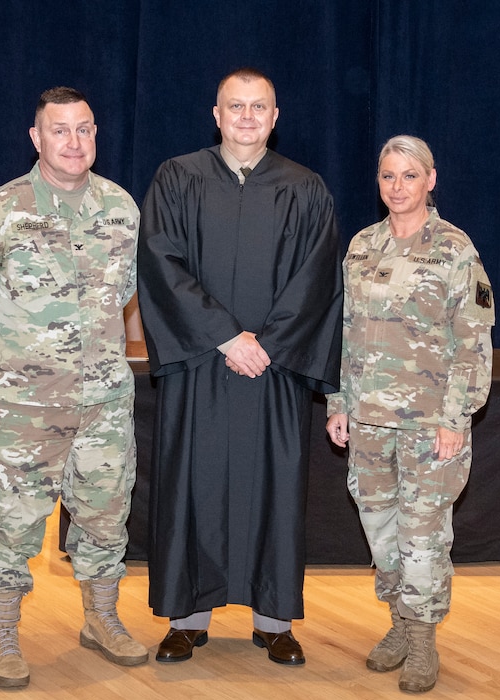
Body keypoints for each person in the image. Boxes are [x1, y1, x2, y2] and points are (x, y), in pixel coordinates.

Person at [0, 86, 148, 689]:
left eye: (84, 129)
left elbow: (126, 291)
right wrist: (4, 356)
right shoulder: (2, 208)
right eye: (60, 130)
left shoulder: (120, 207)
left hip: (105, 401)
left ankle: (101, 619)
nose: (74, 141)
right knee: (11, 521)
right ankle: (1, 633)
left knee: (106, 515)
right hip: (25, 408)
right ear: (37, 138)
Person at [137, 68, 343, 666]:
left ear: (276, 117)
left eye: (259, 107)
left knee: (273, 487)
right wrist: (226, 336)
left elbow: (318, 279)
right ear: (216, 113)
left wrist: (268, 344)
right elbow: (159, 262)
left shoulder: (305, 188)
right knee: (190, 485)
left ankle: (274, 620)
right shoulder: (177, 178)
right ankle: (186, 617)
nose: (247, 117)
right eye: (236, 106)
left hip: (272, 370)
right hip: (201, 362)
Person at [325, 135, 494, 693]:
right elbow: (344, 334)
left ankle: (423, 640)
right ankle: (398, 622)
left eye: (409, 176)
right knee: (382, 532)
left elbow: (473, 341)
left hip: (429, 426)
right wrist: (338, 401)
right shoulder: (361, 246)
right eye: (388, 177)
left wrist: (455, 418)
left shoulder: (454, 249)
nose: (397, 187)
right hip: (369, 421)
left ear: (431, 180)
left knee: (423, 538)